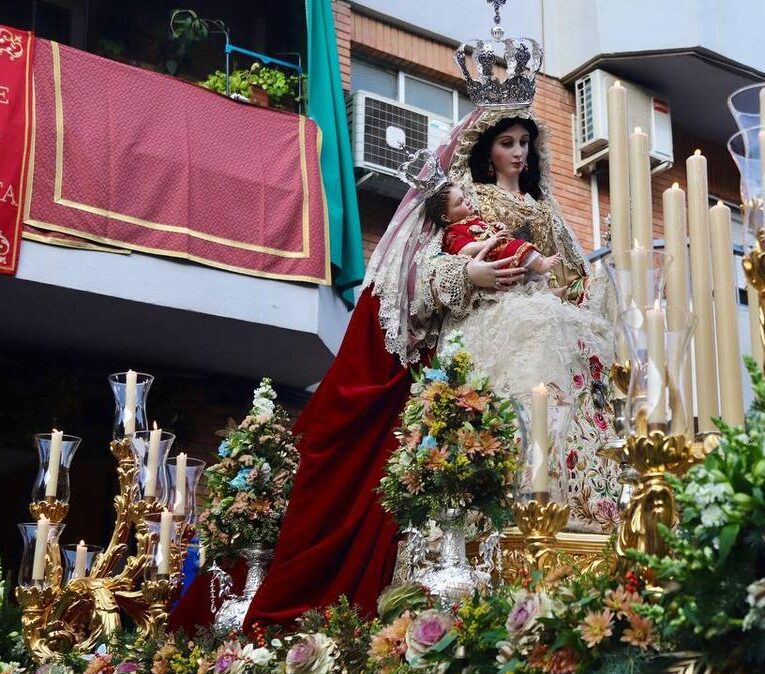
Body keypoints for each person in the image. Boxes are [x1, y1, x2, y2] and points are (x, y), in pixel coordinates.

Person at [237, 106, 619, 631]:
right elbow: (422, 272)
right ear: (487, 149)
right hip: (493, 324)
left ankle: (579, 520)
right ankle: (472, 543)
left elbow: (571, 273)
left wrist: (589, 285)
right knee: (517, 381)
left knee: (567, 355)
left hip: (546, 318)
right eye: (507, 142)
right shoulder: (466, 203)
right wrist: (471, 273)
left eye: (524, 142)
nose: (519, 152)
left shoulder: (546, 211)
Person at [427, 181, 561, 279]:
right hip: (491, 257)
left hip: (500, 250)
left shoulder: (474, 219)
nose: (467, 201)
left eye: (465, 197)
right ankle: (541, 264)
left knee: (528, 272)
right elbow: (463, 250)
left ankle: (549, 285)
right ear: (445, 218)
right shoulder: (452, 231)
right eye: (459, 202)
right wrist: (487, 243)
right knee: (518, 246)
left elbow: (486, 230)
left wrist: (498, 227)